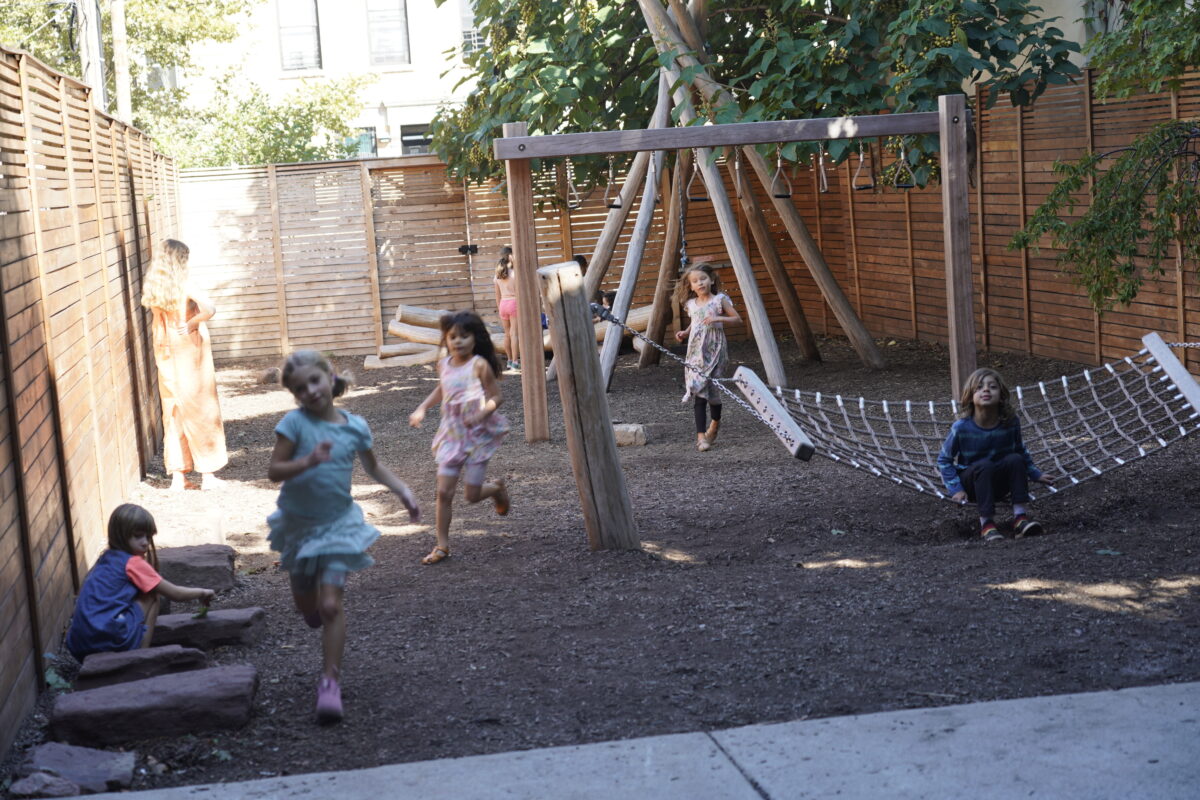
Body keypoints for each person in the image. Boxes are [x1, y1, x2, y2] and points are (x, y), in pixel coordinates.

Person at [268, 350, 420, 723]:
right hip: (299, 527)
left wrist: (402, 490)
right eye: (300, 388)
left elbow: (374, 465)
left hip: (338, 526)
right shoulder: (294, 425)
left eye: (314, 381)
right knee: (308, 607)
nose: (310, 391)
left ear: (330, 376)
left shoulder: (355, 426)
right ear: (294, 394)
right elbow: (274, 470)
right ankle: (314, 614)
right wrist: (306, 461)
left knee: (331, 604)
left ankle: (330, 682)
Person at [409, 311, 510, 565]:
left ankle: (497, 489)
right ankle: (442, 545)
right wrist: (422, 408)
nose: (458, 342)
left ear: (475, 339)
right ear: (446, 339)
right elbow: (442, 388)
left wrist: (482, 413)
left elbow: (497, 396)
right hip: (452, 435)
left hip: (476, 435)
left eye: (464, 337)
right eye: (453, 337)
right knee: (443, 492)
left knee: (471, 495)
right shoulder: (443, 364)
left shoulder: (479, 365)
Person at [66, 504, 215, 661]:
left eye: (148, 537)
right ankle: (141, 657)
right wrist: (203, 592)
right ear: (121, 535)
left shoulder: (106, 558)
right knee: (152, 596)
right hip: (108, 639)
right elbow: (175, 593)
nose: (145, 542)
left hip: (79, 644)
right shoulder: (133, 563)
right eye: (138, 536)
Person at [140, 239, 228, 491]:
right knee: (200, 407)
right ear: (180, 261)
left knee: (174, 410)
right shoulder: (185, 284)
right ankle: (208, 474)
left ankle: (178, 477)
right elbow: (210, 308)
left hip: (165, 352)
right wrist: (193, 322)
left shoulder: (154, 288)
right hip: (188, 350)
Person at [937, 367, 1055, 541]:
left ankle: (1020, 519)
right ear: (970, 396)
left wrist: (1035, 474)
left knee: (1014, 458)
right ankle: (987, 524)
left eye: (992, 387)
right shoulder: (961, 427)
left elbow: (1020, 451)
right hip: (973, 484)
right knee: (984, 465)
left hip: (1000, 483)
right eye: (979, 387)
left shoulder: (1010, 422)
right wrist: (956, 489)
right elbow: (944, 460)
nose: (986, 390)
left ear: (1001, 396)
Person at [673, 262, 741, 452]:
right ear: (691, 286)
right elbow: (695, 322)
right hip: (695, 352)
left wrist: (719, 318)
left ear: (711, 280)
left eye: (703, 279)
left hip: (715, 350)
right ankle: (701, 437)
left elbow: (737, 319)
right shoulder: (690, 305)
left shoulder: (719, 300)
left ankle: (715, 424)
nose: (700, 283)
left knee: (713, 392)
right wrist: (685, 333)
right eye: (695, 281)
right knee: (698, 390)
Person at [494, 246, 520, 371]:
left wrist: (500, 308)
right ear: (511, 256)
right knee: (514, 333)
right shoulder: (515, 273)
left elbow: (497, 295)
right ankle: (515, 362)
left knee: (507, 334)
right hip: (514, 303)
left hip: (503, 304)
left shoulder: (498, 274)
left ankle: (509, 360)